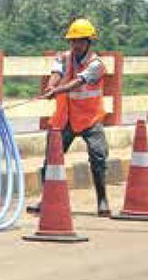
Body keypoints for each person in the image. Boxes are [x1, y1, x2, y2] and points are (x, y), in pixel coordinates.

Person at [27, 18, 110, 217]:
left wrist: (57, 90)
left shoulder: (96, 64)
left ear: (89, 42)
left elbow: (78, 82)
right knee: (52, 159)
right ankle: (45, 200)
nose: (76, 44)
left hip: (90, 119)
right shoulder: (62, 57)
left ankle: (102, 200)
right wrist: (50, 86)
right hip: (64, 118)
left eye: (80, 40)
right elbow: (56, 73)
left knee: (98, 156)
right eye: (73, 40)